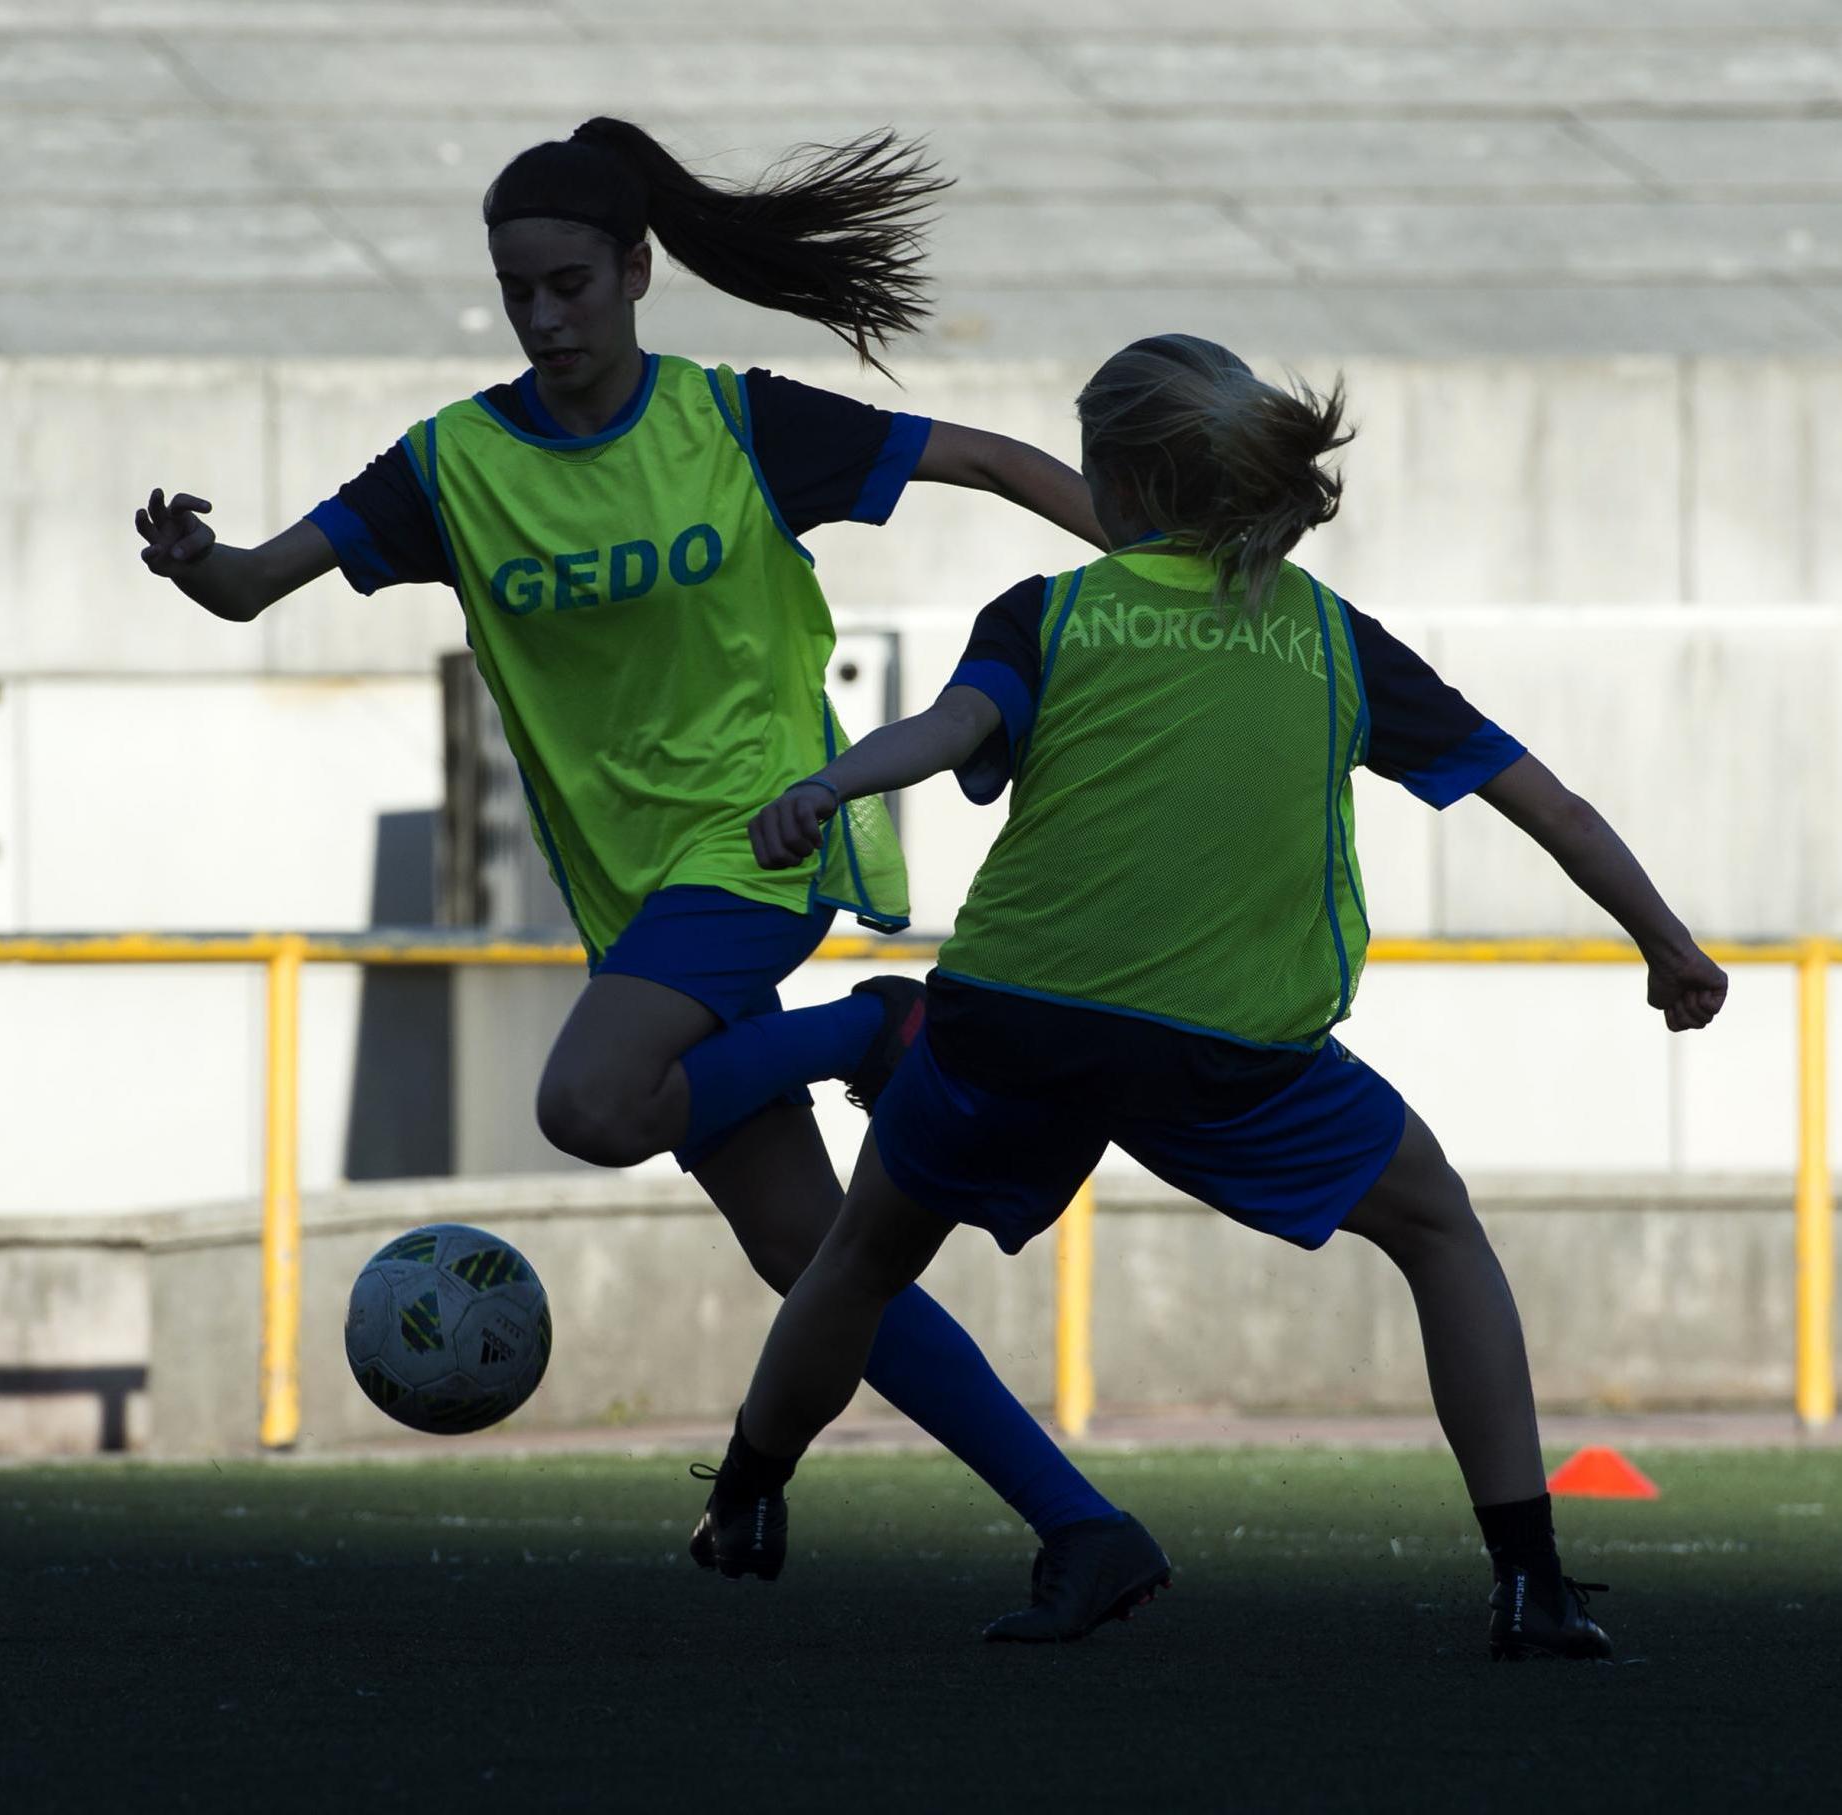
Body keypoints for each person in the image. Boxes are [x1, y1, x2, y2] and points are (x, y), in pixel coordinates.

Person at [135, 119, 1168, 1638]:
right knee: (819, 1265)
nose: (544, 318)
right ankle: (1085, 1527)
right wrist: (191, 560)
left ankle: (871, 1032)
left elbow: (990, 458)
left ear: (636, 273)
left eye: (569, 284)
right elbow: (252, 587)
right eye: (516, 293)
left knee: (589, 1106)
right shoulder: (454, 465)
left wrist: (1163, 576)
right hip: (638, 904)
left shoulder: (733, 422)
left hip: (761, 843)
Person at [690, 332, 1730, 1661]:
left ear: (1119, 483)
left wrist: (836, 786)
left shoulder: (1050, 611)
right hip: (1230, 1055)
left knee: (863, 1258)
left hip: (1018, 1025)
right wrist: (1668, 945)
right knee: (1438, 1229)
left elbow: (951, 734)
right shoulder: (1338, 643)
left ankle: (746, 1501)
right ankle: (1530, 1580)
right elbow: (1554, 806)